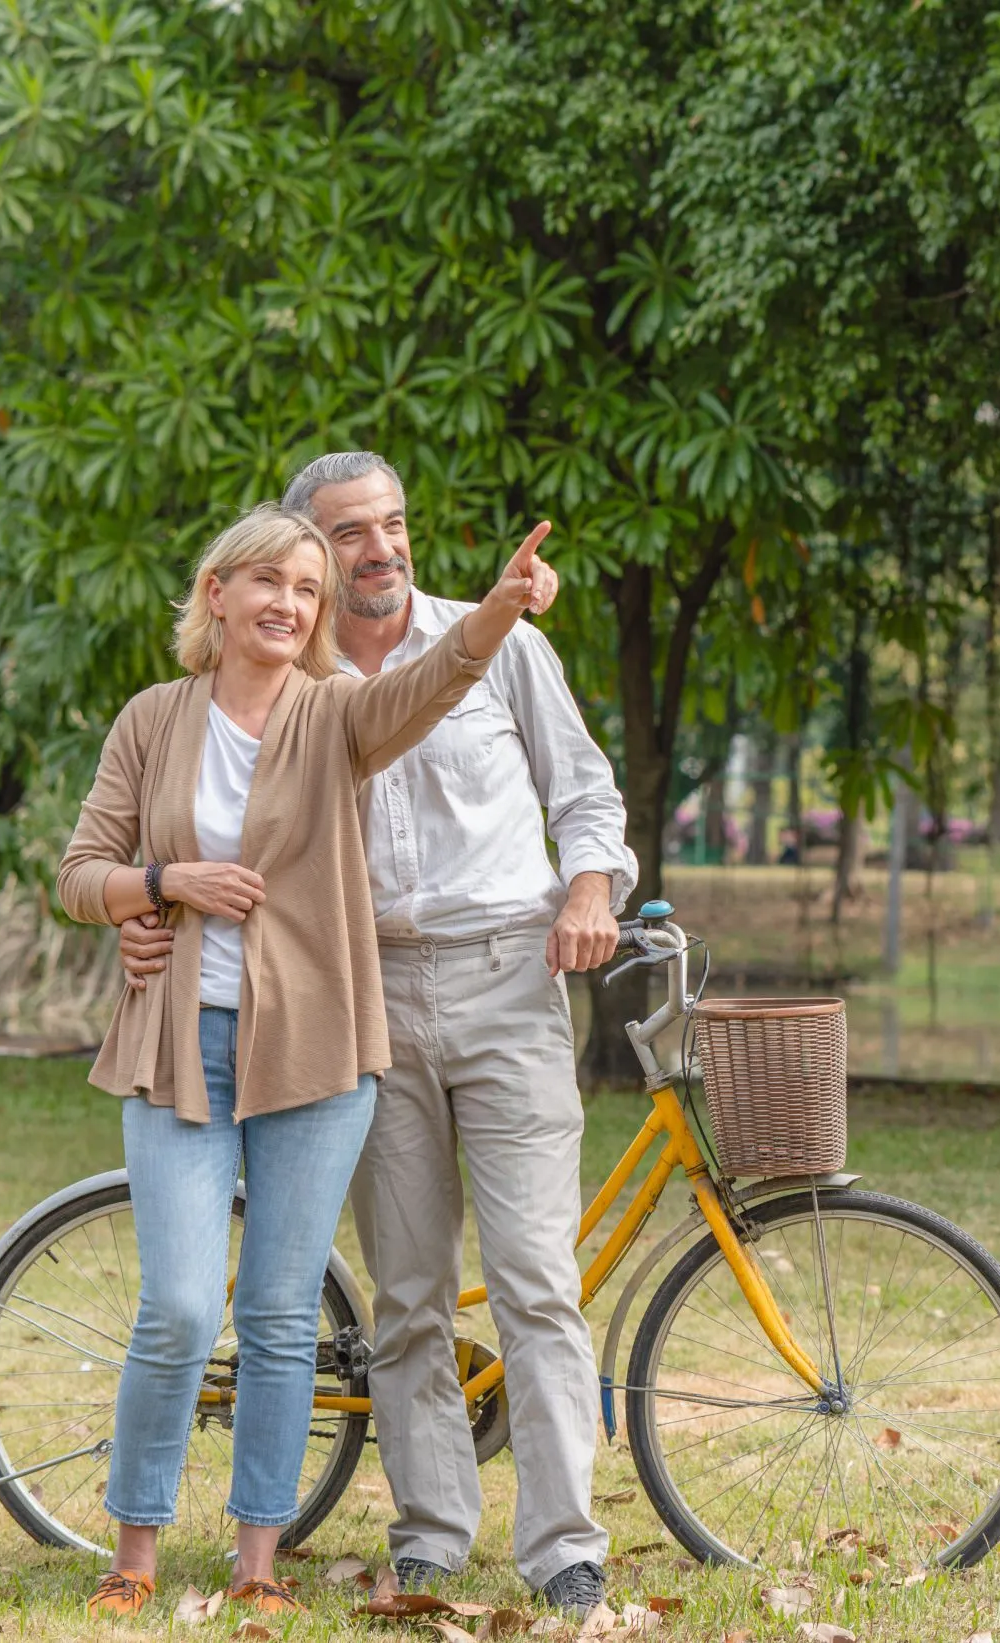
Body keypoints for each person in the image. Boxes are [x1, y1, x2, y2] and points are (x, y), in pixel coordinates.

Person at [116, 453, 632, 1619]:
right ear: (302, 551)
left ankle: (564, 1546)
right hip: (362, 996)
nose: (380, 547)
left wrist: (590, 887)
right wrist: (146, 905)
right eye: (348, 532)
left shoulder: (497, 644)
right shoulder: (286, 684)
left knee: (536, 1280)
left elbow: (584, 791)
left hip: (508, 975)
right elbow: (186, 828)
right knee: (407, 1291)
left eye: (392, 522)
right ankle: (431, 1535)